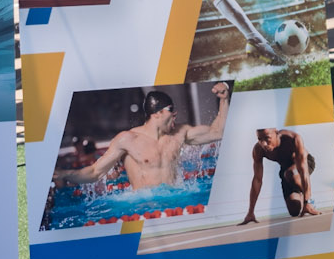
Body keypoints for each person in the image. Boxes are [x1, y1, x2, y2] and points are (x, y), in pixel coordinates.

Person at [55, 82, 230, 193]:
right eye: (171, 111)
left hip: (176, 199)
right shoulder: (127, 139)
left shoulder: (180, 133)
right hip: (143, 206)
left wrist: (224, 100)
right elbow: (94, 172)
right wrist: (65, 174)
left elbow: (217, 132)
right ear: (157, 113)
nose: (175, 114)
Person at [243, 127, 320, 223]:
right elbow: (257, 180)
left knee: (291, 174)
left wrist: (307, 201)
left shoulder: (292, 139)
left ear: (276, 133)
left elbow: (303, 170)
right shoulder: (258, 150)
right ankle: (301, 194)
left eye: (267, 138)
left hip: (304, 163)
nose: (263, 144)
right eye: (259, 139)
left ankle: (310, 200)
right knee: (294, 210)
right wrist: (251, 212)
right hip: (286, 171)